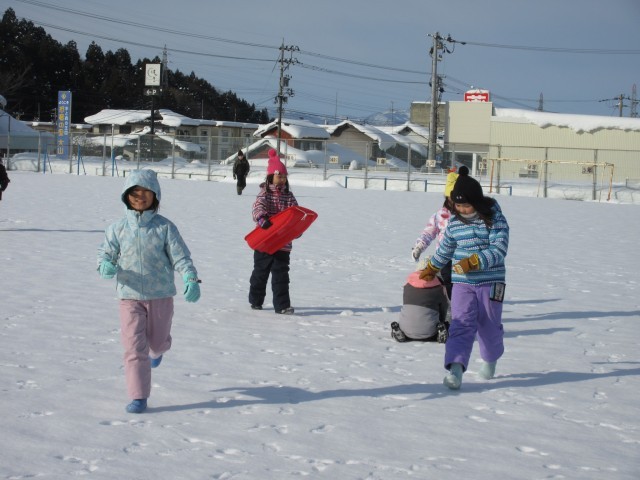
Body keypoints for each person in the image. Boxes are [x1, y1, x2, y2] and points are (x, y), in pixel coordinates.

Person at [97, 169, 201, 414]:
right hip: (129, 295)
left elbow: (181, 257)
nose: (140, 196)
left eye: (146, 191)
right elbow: (105, 254)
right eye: (134, 192)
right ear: (126, 195)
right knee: (134, 347)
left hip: (160, 295)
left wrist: (190, 278)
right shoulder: (117, 228)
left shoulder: (165, 228)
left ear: (156, 195)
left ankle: (158, 350)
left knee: (157, 342)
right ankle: (138, 396)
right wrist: (104, 265)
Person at [419, 168, 509, 390]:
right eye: (458, 206)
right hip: (462, 281)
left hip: (490, 282)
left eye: (466, 205)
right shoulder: (455, 222)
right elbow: (446, 248)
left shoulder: (494, 219)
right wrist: (432, 266)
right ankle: (456, 369)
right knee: (461, 324)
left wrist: (475, 261)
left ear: (477, 202)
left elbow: (499, 249)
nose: (462, 210)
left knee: (489, 326)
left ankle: (490, 359)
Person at [248, 148, 298, 314]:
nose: (282, 179)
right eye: (279, 176)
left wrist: (296, 228)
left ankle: (282, 305)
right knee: (260, 273)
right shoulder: (264, 193)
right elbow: (258, 207)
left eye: (284, 176)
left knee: (281, 276)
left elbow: (295, 212)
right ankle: (256, 301)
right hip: (265, 240)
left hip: (282, 243)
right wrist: (261, 218)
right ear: (271, 176)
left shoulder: (289, 196)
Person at [411, 166, 466, 300]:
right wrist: (419, 246)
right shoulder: (441, 215)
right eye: (450, 197)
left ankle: (461, 307)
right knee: (447, 284)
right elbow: (429, 232)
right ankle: (450, 307)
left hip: (463, 258)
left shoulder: (468, 215)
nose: (453, 201)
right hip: (444, 258)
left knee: (462, 286)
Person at [391, 257, 450, 343]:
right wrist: (442, 322)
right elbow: (443, 308)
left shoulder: (407, 286)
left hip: (406, 329)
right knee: (447, 325)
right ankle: (439, 332)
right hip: (429, 332)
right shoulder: (439, 287)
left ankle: (400, 330)